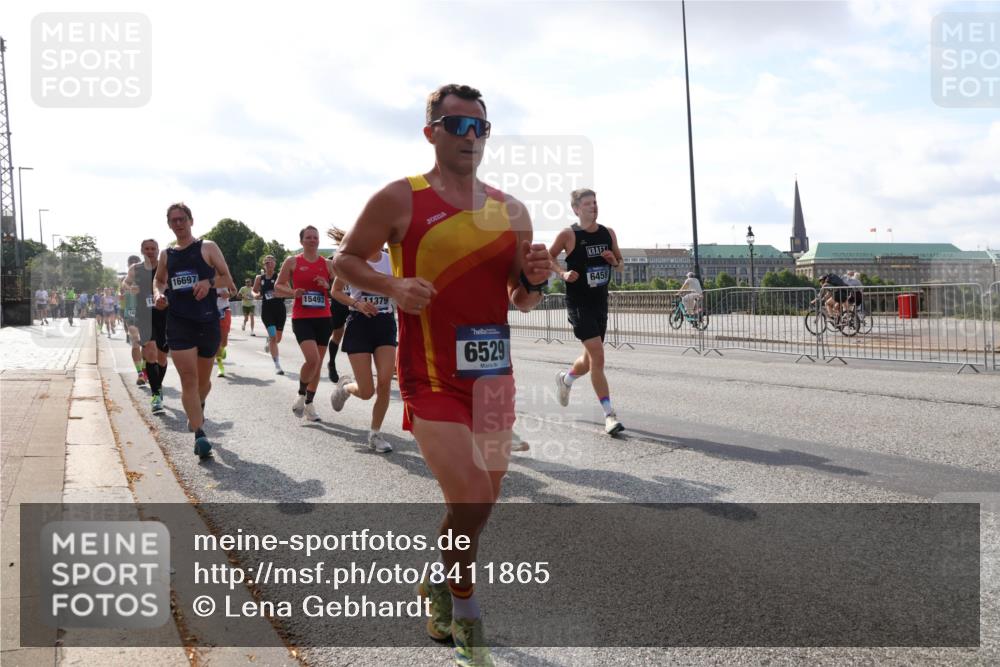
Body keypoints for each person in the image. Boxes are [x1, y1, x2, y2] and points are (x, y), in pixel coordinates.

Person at [332, 83, 551, 666]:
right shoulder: (401, 198)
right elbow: (346, 260)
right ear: (431, 131)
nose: (470, 136)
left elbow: (522, 301)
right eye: (457, 126)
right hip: (430, 375)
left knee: (480, 503)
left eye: (480, 126)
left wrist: (535, 277)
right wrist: (391, 285)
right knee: (472, 495)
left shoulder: (513, 212)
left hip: (494, 378)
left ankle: (436, 576)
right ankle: (465, 609)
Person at [153, 203, 236, 458]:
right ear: (169, 224)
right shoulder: (167, 255)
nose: (178, 223)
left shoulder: (207, 248)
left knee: (203, 382)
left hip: (207, 320)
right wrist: (159, 294)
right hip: (178, 322)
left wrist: (208, 282)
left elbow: (229, 282)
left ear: (191, 220)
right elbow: (159, 280)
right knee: (188, 380)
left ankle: (197, 407)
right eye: (173, 220)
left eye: (182, 219)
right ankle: (200, 435)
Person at [548, 188, 625, 436]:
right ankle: (609, 415)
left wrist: (613, 260)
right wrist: (562, 274)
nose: (594, 207)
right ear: (576, 209)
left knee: (589, 360)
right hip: (579, 303)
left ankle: (566, 379)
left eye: (595, 202)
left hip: (600, 303)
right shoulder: (569, 235)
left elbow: (621, 265)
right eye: (588, 204)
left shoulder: (607, 233)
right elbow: (549, 257)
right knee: (598, 357)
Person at [328, 245, 397, 453]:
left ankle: (375, 434)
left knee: (385, 383)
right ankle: (347, 387)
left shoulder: (392, 260)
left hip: (385, 322)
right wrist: (357, 304)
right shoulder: (353, 261)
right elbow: (336, 291)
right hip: (359, 324)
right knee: (367, 392)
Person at [276, 226, 335, 423]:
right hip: (302, 318)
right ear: (301, 241)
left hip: (324, 317)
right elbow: (278, 287)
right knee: (312, 359)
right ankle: (301, 394)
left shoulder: (327, 265)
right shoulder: (293, 261)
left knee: (317, 366)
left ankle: (309, 404)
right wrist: (293, 292)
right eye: (308, 237)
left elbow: (339, 288)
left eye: (315, 237)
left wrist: (328, 286)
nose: (312, 240)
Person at [123, 239, 171, 414]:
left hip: (165, 315)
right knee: (150, 351)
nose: (150, 251)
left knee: (162, 358)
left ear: (158, 250)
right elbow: (125, 283)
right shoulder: (136, 269)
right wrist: (130, 288)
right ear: (142, 250)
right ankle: (156, 395)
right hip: (145, 316)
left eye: (153, 248)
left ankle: (157, 384)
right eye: (147, 249)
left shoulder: (165, 266)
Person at [253, 255, 286, 375]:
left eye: (271, 262)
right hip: (267, 311)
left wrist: (280, 293)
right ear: (264, 265)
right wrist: (255, 294)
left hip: (280, 310)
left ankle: (269, 341)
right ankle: (277, 365)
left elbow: (289, 290)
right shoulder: (259, 278)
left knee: (278, 339)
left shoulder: (281, 277)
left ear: (275, 264)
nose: (269, 264)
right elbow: (254, 290)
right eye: (266, 263)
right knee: (273, 338)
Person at [326, 228, 351, 382]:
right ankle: (332, 363)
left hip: (356, 302)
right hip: (339, 302)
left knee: (360, 331)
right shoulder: (331, 260)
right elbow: (327, 285)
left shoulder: (360, 258)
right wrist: (328, 287)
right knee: (337, 335)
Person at [122, 255, 147, 385]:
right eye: (130, 263)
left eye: (136, 263)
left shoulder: (147, 275)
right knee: (135, 341)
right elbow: (123, 285)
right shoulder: (127, 279)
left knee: (147, 345)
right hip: (131, 312)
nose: (133, 265)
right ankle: (140, 373)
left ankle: (145, 369)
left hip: (146, 313)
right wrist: (129, 288)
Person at [215, 286, 233, 377]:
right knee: (216, 341)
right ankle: (220, 367)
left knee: (224, 341)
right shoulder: (205, 277)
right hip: (211, 311)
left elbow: (233, 291)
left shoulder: (224, 278)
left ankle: (222, 349)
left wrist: (227, 294)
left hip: (224, 310)